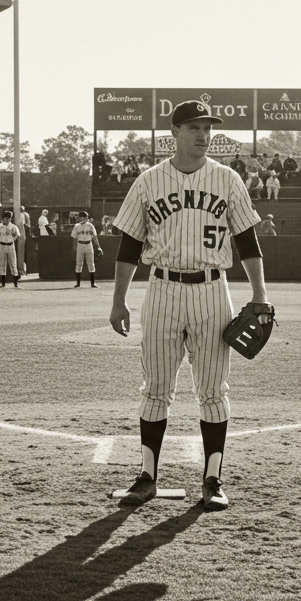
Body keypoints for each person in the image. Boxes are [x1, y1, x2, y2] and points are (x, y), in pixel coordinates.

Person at [107, 99, 270, 512]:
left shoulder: (228, 179)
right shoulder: (147, 181)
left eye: (207, 127)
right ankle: (147, 477)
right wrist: (119, 301)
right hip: (162, 288)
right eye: (194, 127)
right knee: (155, 388)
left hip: (213, 291)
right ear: (174, 134)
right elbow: (128, 245)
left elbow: (247, 241)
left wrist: (260, 294)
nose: (203, 135)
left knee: (214, 390)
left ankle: (212, 479)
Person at [71, 209, 102, 287]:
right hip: (80, 244)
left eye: (84, 217)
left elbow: (94, 237)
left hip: (89, 244)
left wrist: (98, 247)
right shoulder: (76, 226)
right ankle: (78, 283)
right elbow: (74, 238)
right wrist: (74, 247)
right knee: (79, 264)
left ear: (86, 218)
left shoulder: (90, 225)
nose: (83, 219)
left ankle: (92, 283)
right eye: (81, 217)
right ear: (79, 218)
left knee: (91, 264)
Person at [0, 210, 22, 288]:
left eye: (8, 218)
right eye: (5, 218)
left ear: (10, 219)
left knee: (13, 263)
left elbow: (18, 235)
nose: (6, 220)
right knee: (2, 263)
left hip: (10, 245)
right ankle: (3, 283)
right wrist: (0, 234)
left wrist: (13, 235)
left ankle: (15, 283)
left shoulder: (13, 226)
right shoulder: (0, 226)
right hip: (2, 245)